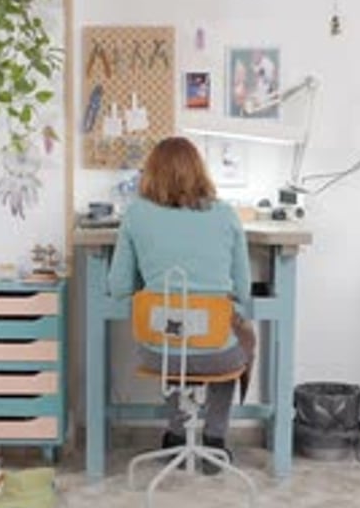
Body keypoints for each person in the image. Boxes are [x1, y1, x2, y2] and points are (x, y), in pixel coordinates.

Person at [108, 136, 255, 473]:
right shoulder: (227, 215)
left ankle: (176, 433)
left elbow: (118, 288)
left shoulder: (135, 215)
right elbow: (243, 292)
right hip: (215, 352)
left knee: (171, 331)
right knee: (239, 340)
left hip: (158, 353)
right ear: (200, 171)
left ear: (151, 174)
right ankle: (215, 438)